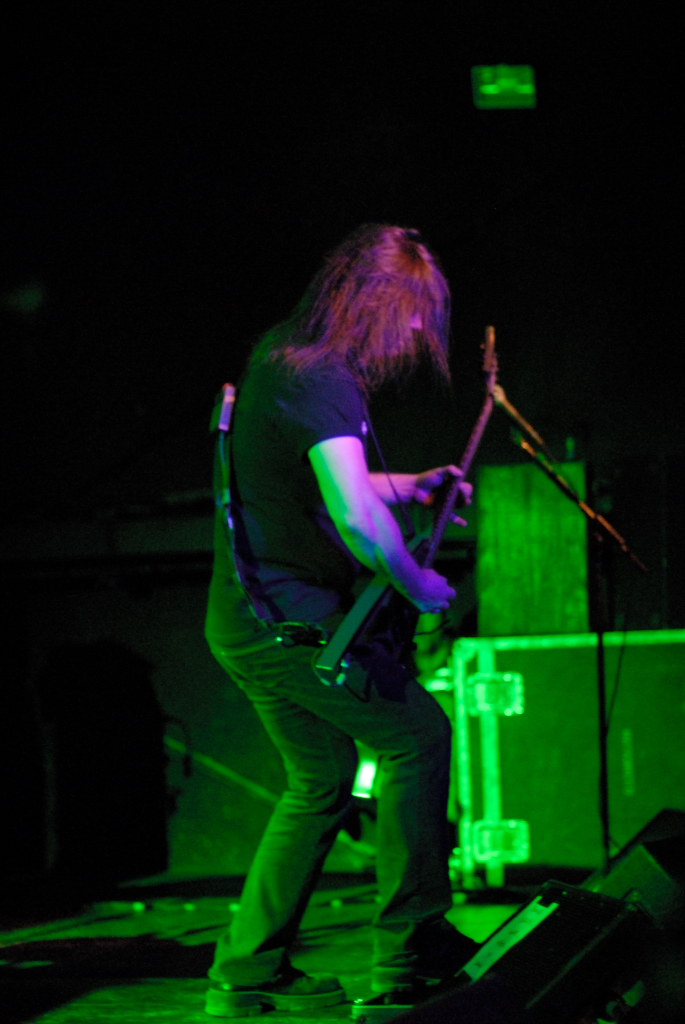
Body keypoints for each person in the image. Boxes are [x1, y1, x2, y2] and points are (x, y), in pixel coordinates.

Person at [204, 224, 476, 1018]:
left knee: (320, 782)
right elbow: (355, 519)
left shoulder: (287, 358)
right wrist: (417, 581)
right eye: (413, 311)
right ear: (375, 301)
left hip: (247, 622)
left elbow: (328, 482)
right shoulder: (322, 379)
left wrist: (411, 483)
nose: (419, 331)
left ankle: (246, 971)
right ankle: (409, 957)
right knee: (417, 737)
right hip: (285, 625)